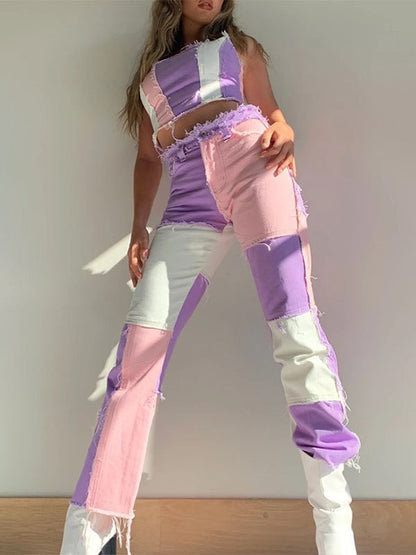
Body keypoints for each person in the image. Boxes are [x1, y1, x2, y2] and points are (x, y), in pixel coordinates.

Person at [59, 1, 362, 554]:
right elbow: (148, 159)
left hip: (254, 167)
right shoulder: (148, 80)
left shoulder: (238, 47)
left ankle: (335, 529)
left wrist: (285, 128)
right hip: (187, 198)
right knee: (136, 355)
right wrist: (138, 229)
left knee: (297, 335)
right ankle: (90, 532)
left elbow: (273, 113)